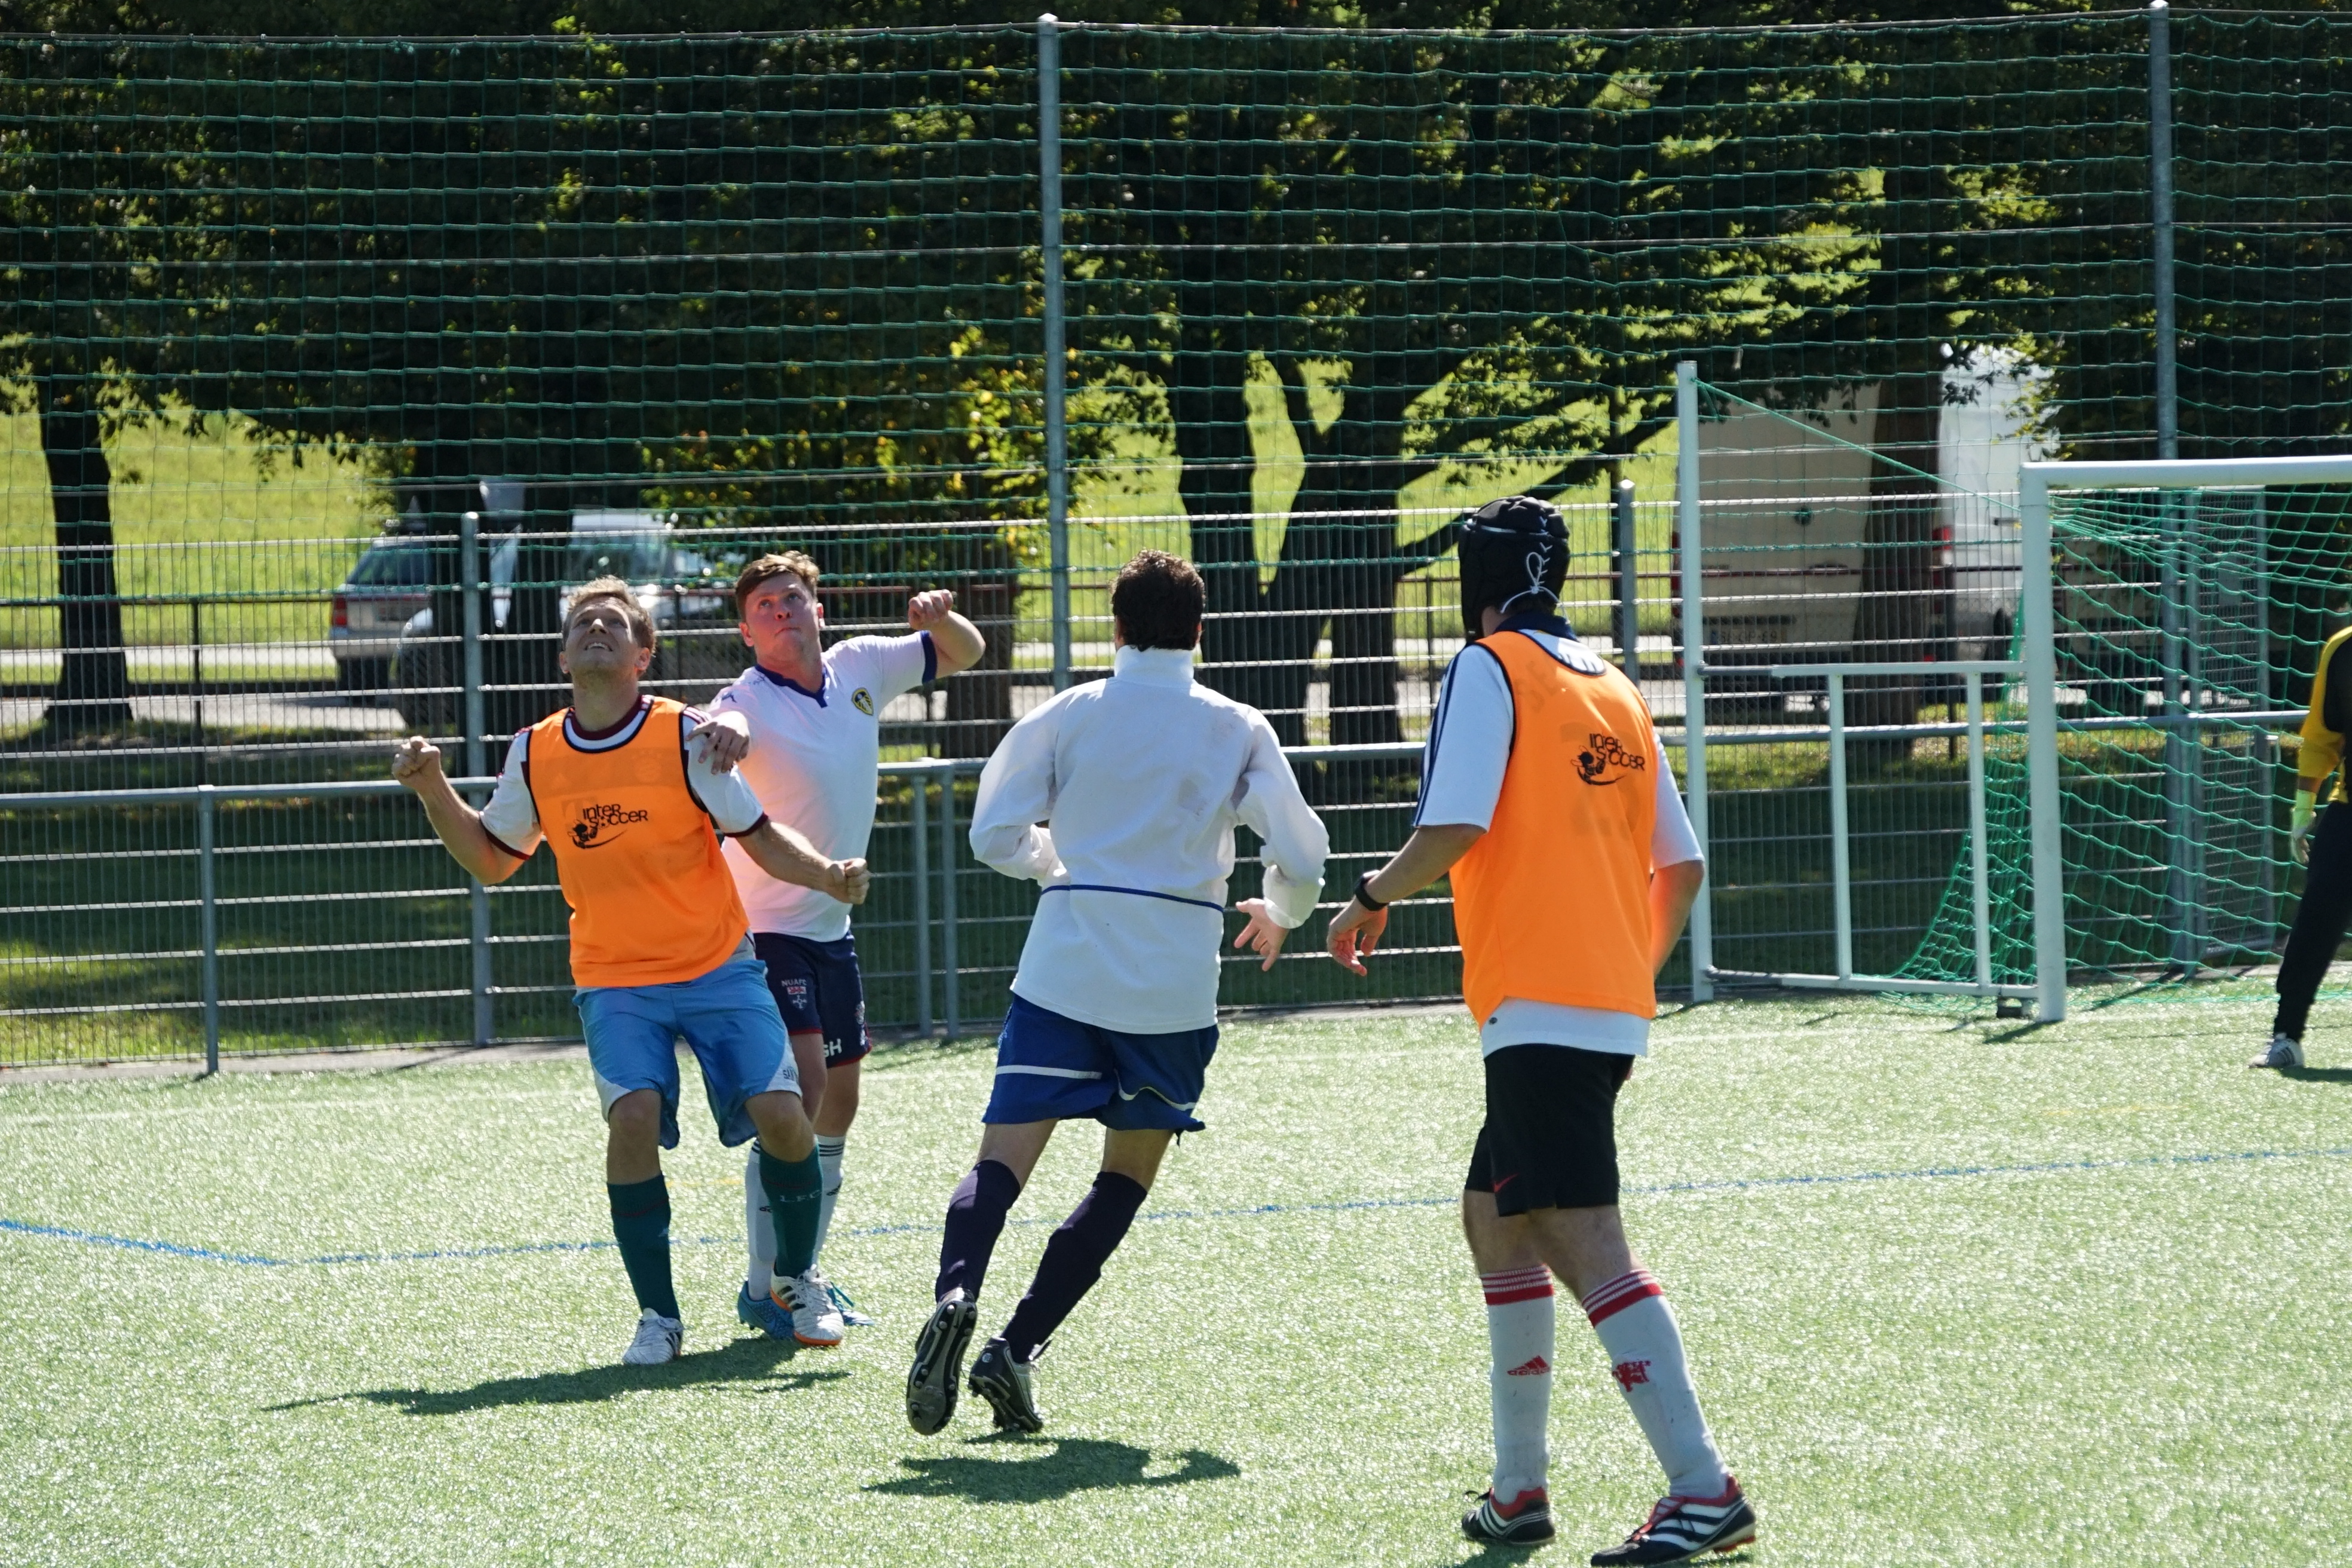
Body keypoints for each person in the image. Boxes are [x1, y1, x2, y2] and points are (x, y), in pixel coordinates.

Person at [1324, 497, 1755, 1564]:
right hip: (1603, 1006)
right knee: (1496, 1218)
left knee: (1579, 1231)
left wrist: (1370, 894)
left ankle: (1703, 1486)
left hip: (1537, 1005)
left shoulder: (1490, 666)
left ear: (1475, 587)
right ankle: (1519, 1489)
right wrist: (1622, 976)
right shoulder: (1616, 685)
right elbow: (1682, 866)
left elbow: (1456, 821)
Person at [902, 549, 1330, 1437]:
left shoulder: (1070, 712)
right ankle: (1016, 1348)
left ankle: (956, 1292)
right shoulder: (1238, 725)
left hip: (1066, 962)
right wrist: (1282, 908)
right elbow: (1303, 853)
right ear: (1200, 631)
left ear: (1118, 627)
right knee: (1125, 1178)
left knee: (1000, 1161)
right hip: (1172, 984)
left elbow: (992, 831)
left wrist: (1052, 864)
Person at [393, 577, 871, 1364]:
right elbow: (491, 859)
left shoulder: (685, 735)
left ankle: (796, 1277)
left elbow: (755, 832)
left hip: (718, 966)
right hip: (615, 978)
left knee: (786, 1114)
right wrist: (432, 787)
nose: (597, 628)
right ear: (562, 656)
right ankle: (659, 1317)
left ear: (644, 655)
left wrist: (825, 873)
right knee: (634, 1118)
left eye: (615, 622)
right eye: (584, 622)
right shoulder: (536, 750)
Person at [696, 552, 985, 1338]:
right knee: (803, 1092)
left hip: (831, 929)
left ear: (817, 610)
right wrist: (726, 728)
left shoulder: (860, 664)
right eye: (763, 606)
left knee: (839, 1108)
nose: (780, 611)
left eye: (792, 598)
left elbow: (966, 652)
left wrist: (941, 619)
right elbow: (726, 722)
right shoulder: (746, 697)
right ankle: (776, 1284)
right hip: (766, 930)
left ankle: (796, 1270)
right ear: (746, 631)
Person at [2254, 623, 2352, 1069]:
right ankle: (2286, 1036)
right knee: (2316, 920)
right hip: (2349, 809)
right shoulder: (2344, 648)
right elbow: (2322, 735)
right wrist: (2302, 807)